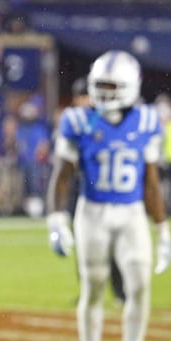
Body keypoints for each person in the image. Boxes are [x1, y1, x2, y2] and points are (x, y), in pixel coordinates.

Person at [46, 50, 171, 341]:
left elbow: (151, 181)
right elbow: (62, 176)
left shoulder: (147, 120)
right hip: (93, 213)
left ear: (131, 86)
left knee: (140, 288)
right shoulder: (77, 120)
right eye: (100, 85)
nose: (104, 93)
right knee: (94, 289)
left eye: (112, 86)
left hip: (131, 214)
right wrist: (56, 218)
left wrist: (163, 231)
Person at [68, 77, 125, 304]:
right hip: (79, 190)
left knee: (111, 245)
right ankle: (88, 293)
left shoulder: (99, 121)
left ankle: (120, 293)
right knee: (84, 247)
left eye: (83, 97)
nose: (80, 102)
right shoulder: (73, 122)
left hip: (101, 192)